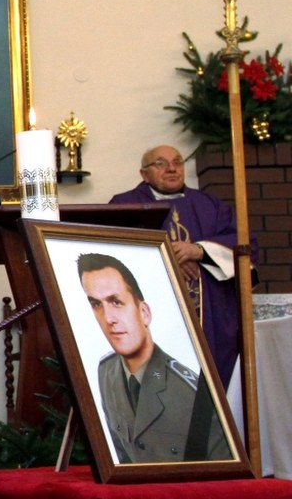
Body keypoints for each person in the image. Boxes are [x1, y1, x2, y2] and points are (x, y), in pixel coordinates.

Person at [109, 144, 256, 388]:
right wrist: (168, 259)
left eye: (177, 162)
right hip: (155, 314)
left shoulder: (210, 205)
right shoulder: (124, 205)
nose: (171, 168)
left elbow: (244, 244)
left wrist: (199, 251)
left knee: (212, 382)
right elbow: (115, 251)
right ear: (144, 174)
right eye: (161, 163)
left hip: (209, 317)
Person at [77, 253, 230, 464]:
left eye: (116, 302)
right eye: (96, 304)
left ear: (144, 313)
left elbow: (221, 472)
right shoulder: (107, 371)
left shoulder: (190, 391)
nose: (108, 318)